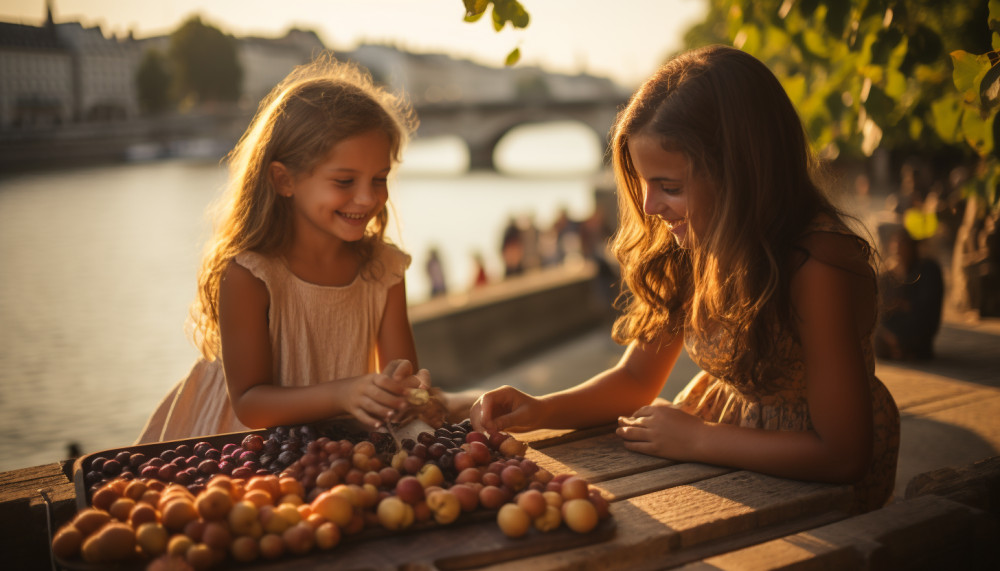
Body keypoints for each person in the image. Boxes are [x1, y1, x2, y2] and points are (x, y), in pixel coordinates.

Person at [471, 45, 900, 513]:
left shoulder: (816, 267)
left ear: (742, 174)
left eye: (670, 187)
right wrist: (543, 409)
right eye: (645, 184)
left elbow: (843, 456)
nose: (651, 207)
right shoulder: (696, 242)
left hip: (811, 486)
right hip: (723, 462)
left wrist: (699, 439)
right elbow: (636, 378)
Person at [138, 57, 468, 444]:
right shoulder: (249, 274)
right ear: (284, 179)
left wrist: (405, 389)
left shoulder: (384, 269)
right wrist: (344, 393)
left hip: (327, 444)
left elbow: (402, 369)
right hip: (238, 442)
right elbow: (249, 403)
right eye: (344, 181)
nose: (367, 197)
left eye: (379, 179)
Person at [875, 228, 944, 360]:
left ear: (913, 246)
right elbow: (882, 305)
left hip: (917, 329)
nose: (897, 248)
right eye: (895, 243)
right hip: (893, 327)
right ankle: (896, 346)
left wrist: (903, 304)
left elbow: (926, 308)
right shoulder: (889, 273)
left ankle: (903, 347)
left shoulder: (928, 269)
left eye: (902, 243)